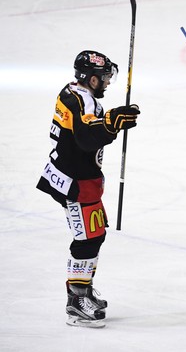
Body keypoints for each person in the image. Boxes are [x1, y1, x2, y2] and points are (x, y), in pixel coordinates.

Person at [36, 50, 141, 328]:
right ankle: (76, 300)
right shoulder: (83, 103)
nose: (107, 82)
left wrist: (110, 122)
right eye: (104, 78)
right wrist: (112, 123)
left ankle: (84, 288)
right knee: (87, 239)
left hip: (74, 176)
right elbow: (86, 138)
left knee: (94, 233)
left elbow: (84, 129)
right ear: (92, 79)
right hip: (75, 182)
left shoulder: (73, 92)